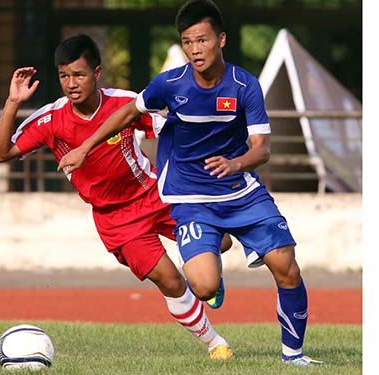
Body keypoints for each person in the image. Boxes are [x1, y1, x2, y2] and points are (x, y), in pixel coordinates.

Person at [58, 1, 323, 367]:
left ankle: (294, 355)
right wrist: (85, 147)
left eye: (202, 40)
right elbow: (129, 112)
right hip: (190, 198)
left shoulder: (245, 85)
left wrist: (236, 163)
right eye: (188, 42)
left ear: (221, 39)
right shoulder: (169, 84)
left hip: (241, 192)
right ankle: (215, 253)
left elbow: (262, 150)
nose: (195, 49)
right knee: (203, 286)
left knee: (286, 266)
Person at [0, 34, 233, 360]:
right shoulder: (51, 119)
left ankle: (209, 278)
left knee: (224, 242)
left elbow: (172, 128)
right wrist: (13, 102)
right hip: (116, 220)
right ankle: (216, 345)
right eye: (64, 76)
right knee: (171, 280)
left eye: (79, 74)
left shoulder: (125, 103)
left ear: (97, 73)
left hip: (156, 194)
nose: (71, 84)